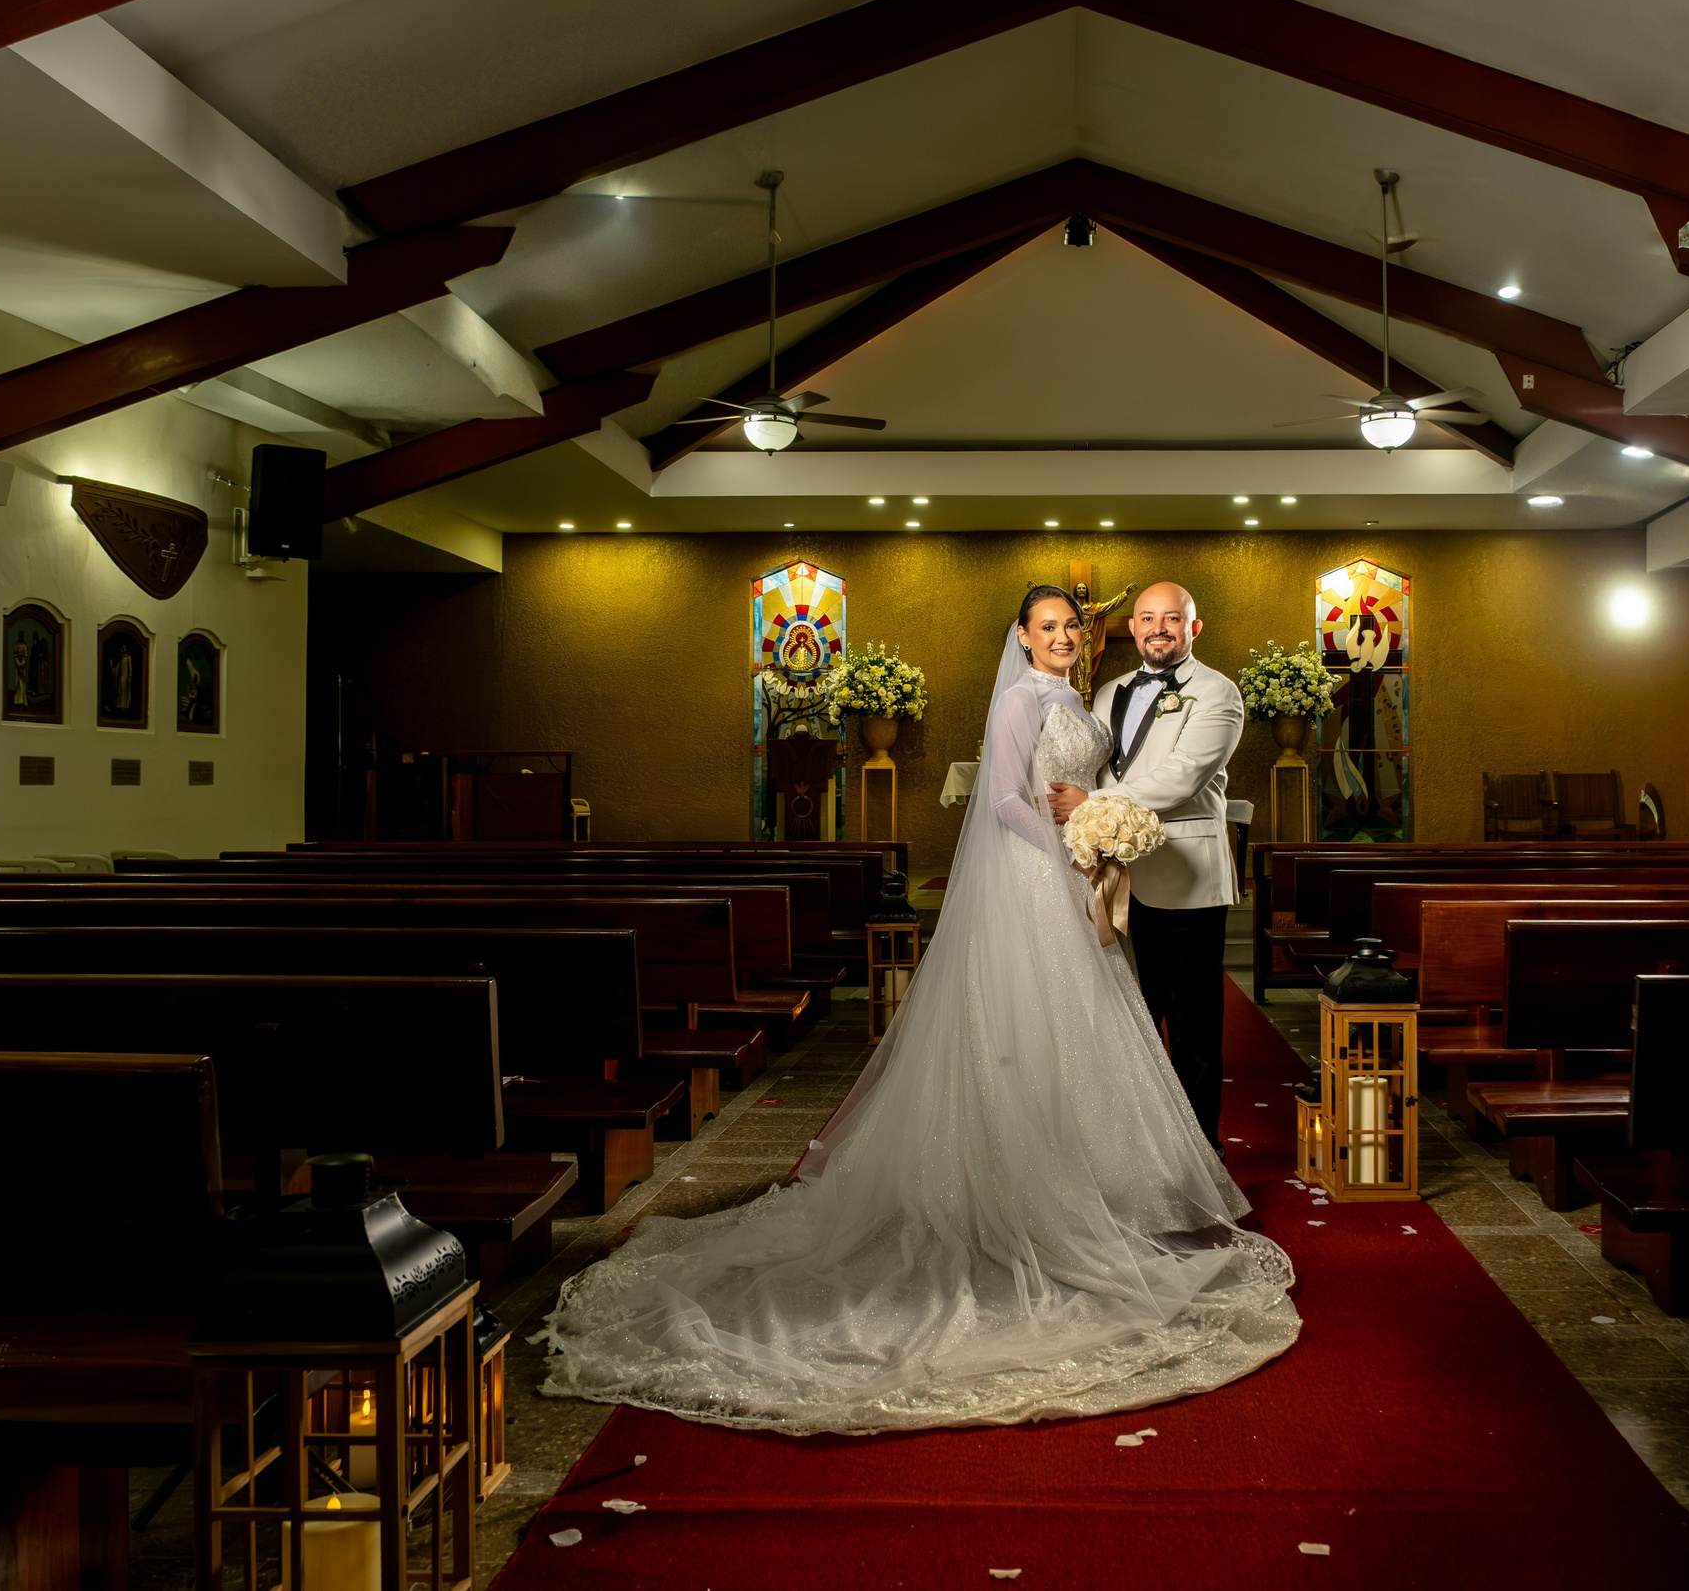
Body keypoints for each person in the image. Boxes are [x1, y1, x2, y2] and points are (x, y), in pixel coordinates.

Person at [537, 586, 1297, 1435]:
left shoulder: (1168, 692)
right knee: (1053, 1030)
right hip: (1060, 874)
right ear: (1023, 635)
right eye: (1049, 626)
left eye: (1072, 626)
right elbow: (1009, 797)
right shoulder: (1042, 696)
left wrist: (1088, 830)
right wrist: (1067, 846)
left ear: (1178, 628)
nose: (1065, 635)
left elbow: (1149, 778)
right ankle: (1038, 1186)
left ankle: (1144, 1177)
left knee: (1143, 1034)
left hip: (1135, 873)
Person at [1049, 583, 1244, 1148]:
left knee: (1193, 1033)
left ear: (1194, 627)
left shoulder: (1218, 693)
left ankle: (1203, 1159)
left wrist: (1092, 806)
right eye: (1148, 618)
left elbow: (1183, 776)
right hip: (1118, 880)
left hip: (1187, 884)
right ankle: (1142, 1153)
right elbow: (1096, 766)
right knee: (1130, 1024)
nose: (1159, 628)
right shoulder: (1109, 691)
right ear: (1131, 628)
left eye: (1172, 618)